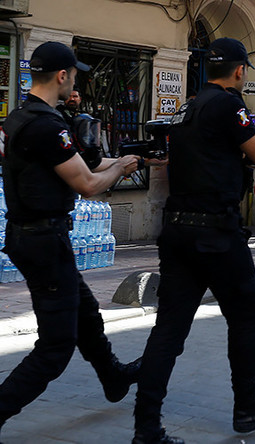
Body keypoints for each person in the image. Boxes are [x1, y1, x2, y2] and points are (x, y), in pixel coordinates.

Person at [132, 38, 255, 443]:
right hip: (215, 231)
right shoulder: (229, 105)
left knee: (169, 330)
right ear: (241, 71)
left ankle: (146, 428)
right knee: (245, 313)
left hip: (177, 228)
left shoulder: (188, 106)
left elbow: (210, 154)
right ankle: (247, 405)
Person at [0, 41, 139, 441]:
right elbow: (90, 184)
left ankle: (113, 377)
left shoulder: (22, 116)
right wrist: (124, 168)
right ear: (62, 76)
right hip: (43, 240)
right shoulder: (48, 125)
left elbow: (85, 166)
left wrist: (130, 159)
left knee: (86, 314)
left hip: (34, 237)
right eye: (74, 74)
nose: (75, 79)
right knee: (56, 346)